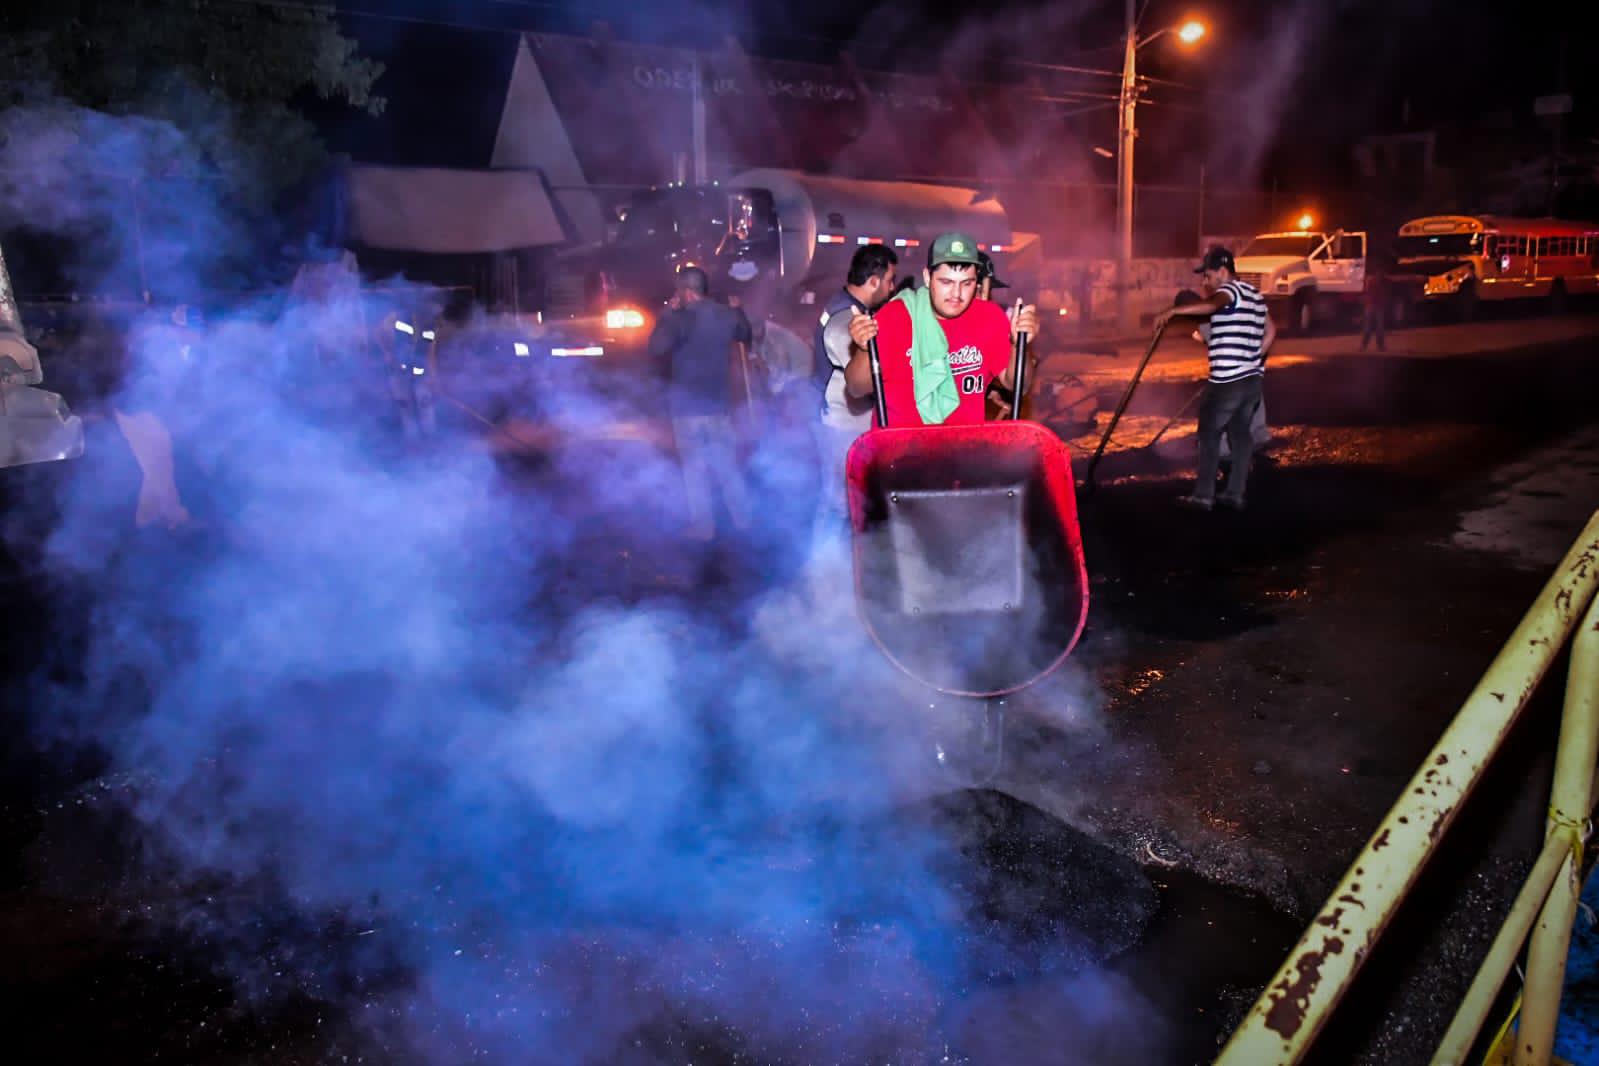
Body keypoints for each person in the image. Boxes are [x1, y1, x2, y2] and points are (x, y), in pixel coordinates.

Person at [844, 232, 1037, 427]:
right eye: (946, 282)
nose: (956, 294)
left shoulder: (989, 317)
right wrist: (864, 349)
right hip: (899, 444)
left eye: (967, 283)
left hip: (966, 443)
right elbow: (856, 388)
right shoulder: (895, 316)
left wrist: (1019, 344)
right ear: (928, 277)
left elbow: (1019, 385)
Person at [1153, 245, 1274, 511]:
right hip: (1250, 380)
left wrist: (1172, 312)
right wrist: (1253, 360)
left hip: (1227, 380)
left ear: (1222, 271)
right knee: (1240, 436)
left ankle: (1203, 496)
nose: (1206, 282)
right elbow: (1271, 332)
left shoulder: (1228, 291)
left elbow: (1211, 305)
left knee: (1208, 435)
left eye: (1208, 276)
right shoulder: (1254, 294)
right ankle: (1234, 494)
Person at [647, 265, 754, 542]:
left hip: (688, 410)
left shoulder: (680, 318)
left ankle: (703, 528)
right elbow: (746, 334)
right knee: (727, 466)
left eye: (679, 291)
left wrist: (667, 314)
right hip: (719, 407)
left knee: (695, 471)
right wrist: (738, 310)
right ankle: (743, 520)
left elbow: (656, 347)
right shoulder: (725, 314)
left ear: (687, 292)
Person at [812, 245, 897, 528]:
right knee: (838, 502)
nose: (892, 288)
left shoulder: (845, 306)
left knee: (842, 499)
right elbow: (863, 379)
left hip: (844, 423)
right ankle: (826, 554)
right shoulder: (845, 319)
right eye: (889, 281)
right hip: (841, 425)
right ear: (873, 281)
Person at [1361, 253, 1389, 353]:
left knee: (1373, 327)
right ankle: (1375, 346)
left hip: (1374, 306)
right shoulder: (1375, 280)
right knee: (1374, 327)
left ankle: (1366, 346)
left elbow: (1368, 292)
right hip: (1374, 305)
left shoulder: (1373, 280)